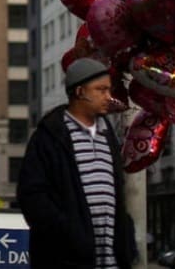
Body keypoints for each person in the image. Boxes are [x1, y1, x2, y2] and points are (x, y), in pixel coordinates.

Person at [17, 57, 135, 268]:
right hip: (65, 260)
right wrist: (68, 234)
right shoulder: (50, 136)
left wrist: (127, 239)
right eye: (101, 90)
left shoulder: (108, 135)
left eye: (109, 90)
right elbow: (32, 196)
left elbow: (117, 197)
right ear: (80, 92)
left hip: (110, 263)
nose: (108, 97)